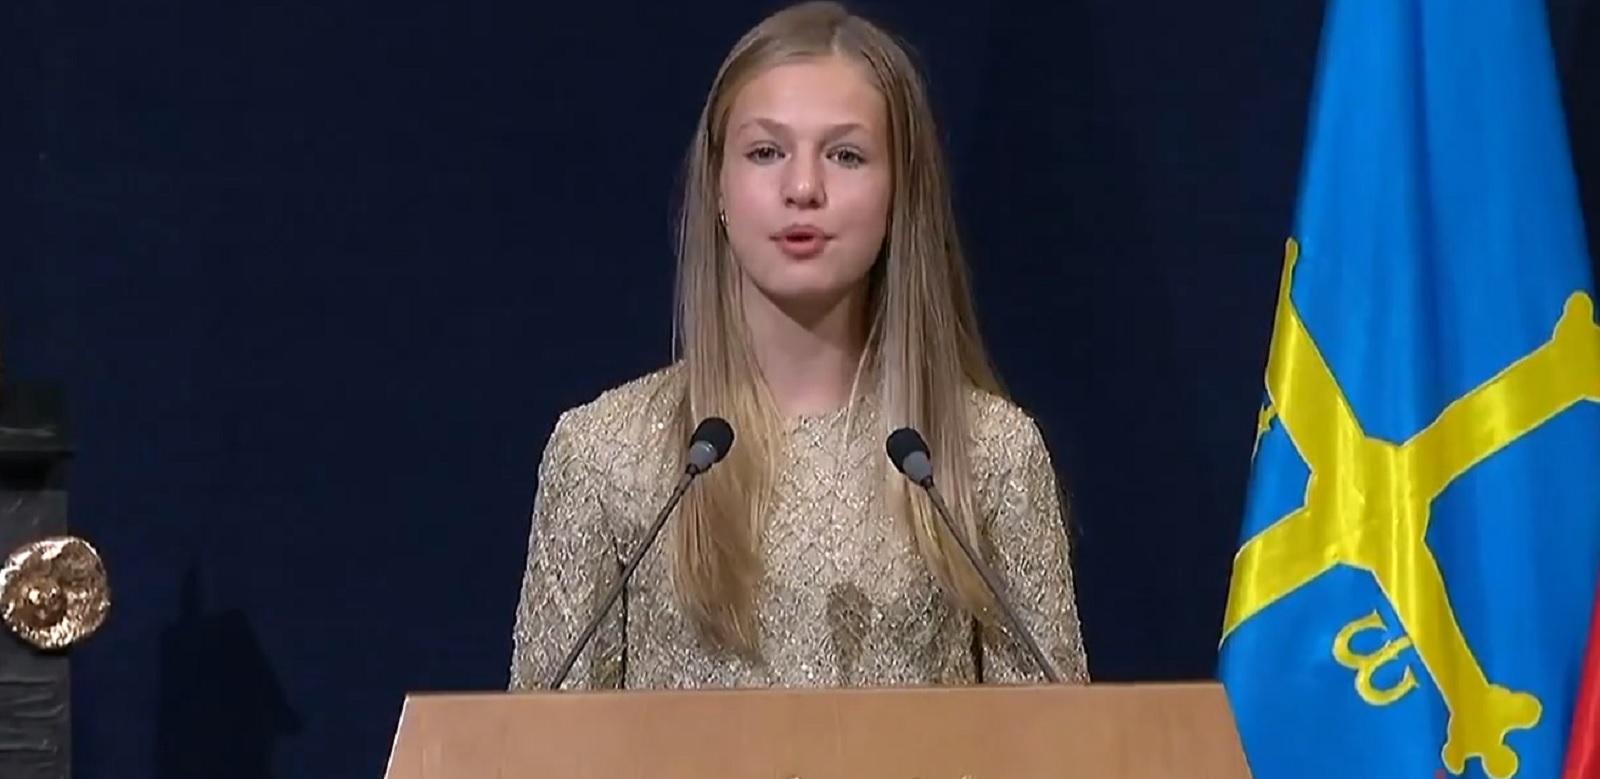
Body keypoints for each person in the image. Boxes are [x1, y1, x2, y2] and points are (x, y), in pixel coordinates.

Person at [508, 0, 1087, 691]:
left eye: (845, 155)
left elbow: (1056, 748)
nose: (803, 187)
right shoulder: (603, 455)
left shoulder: (987, 456)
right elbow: (537, 749)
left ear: (900, 192)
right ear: (719, 188)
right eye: (765, 152)